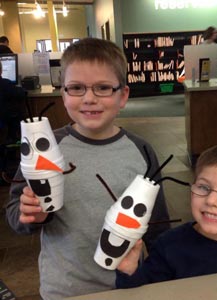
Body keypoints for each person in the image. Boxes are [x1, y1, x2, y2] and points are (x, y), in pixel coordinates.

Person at [6, 38, 170, 300]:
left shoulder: (141, 151)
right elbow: (15, 213)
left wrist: (162, 278)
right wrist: (32, 215)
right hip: (64, 289)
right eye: (76, 88)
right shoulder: (45, 144)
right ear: (64, 95)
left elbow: (158, 226)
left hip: (128, 286)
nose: (89, 98)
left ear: (123, 96)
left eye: (103, 88)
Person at [116, 143, 217, 288]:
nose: (211, 200)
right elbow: (145, 292)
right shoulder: (168, 246)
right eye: (204, 187)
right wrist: (129, 271)